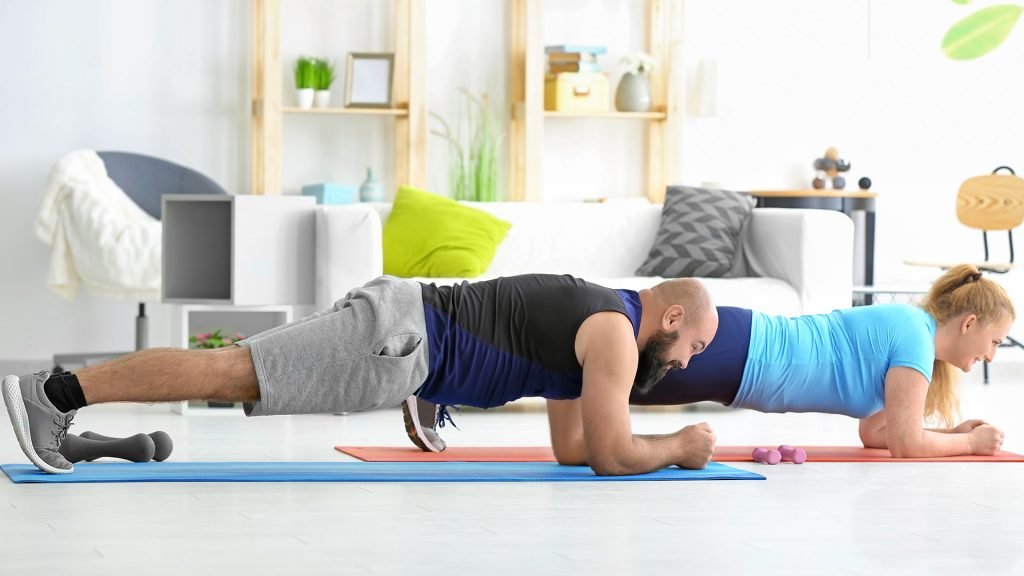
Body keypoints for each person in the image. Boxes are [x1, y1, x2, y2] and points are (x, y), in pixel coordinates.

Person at [3, 273, 719, 476]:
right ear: (676, 316)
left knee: (234, 373)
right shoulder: (618, 337)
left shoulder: (602, 323)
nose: (688, 363)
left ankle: (429, 393)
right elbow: (612, 457)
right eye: (695, 346)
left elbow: (575, 448)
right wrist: (681, 445)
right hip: (403, 340)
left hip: (405, 333)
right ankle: (51, 394)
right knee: (229, 373)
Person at [406, 265, 1013, 460]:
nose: (991, 353)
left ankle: (442, 376)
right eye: (994, 340)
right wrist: (973, 444)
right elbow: (906, 445)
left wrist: (949, 431)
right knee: (602, 372)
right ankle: (441, 372)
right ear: (968, 323)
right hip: (741, 354)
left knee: (590, 383)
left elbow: (878, 432)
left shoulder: (912, 348)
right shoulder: (912, 333)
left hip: (740, 365)